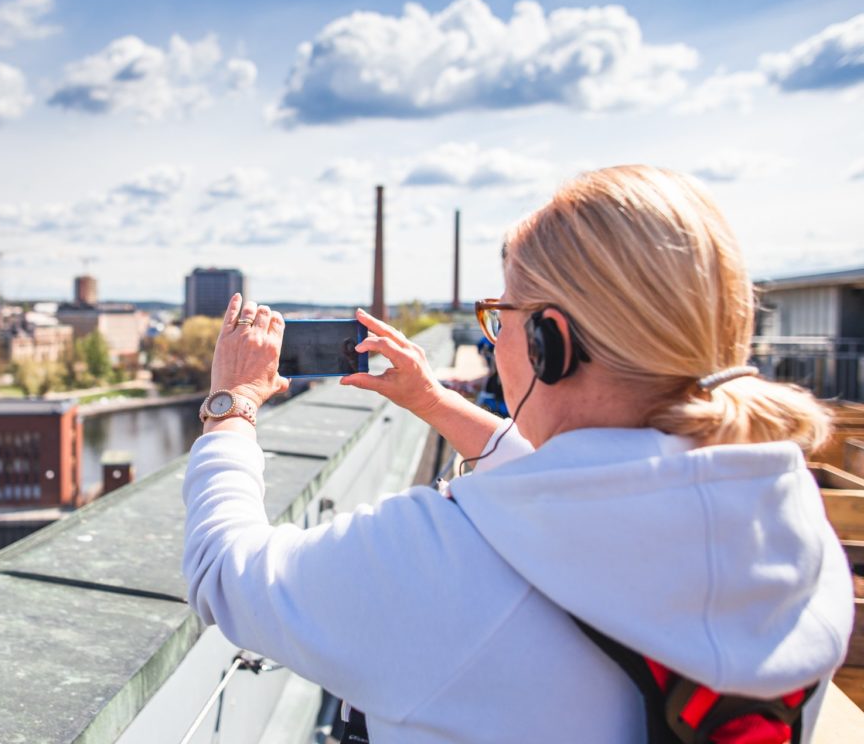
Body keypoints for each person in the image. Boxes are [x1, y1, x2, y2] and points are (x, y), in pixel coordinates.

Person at [182, 165, 853, 743]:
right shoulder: (793, 529)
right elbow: (583, 506)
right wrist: (432, 400)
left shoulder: (438, 564)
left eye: (499, 317)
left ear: (549, 342)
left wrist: (231, 406)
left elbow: (223, 572)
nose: (491, 340)